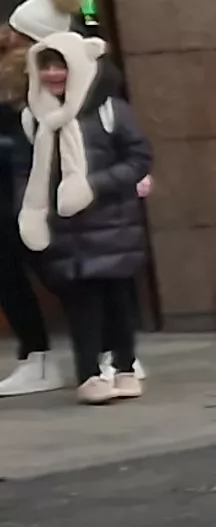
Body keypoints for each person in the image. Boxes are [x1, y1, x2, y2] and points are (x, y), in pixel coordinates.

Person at [19, 28, 148, 404]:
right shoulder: (35, 118)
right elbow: (25, 172)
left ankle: (125, 368)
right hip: (65, 230)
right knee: (81, 306)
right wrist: (29, 211)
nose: (53, 75)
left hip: (112, 225)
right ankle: (89, 375)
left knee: (119, 302)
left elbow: (139, 159)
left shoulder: (111, 111)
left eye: (60, 66)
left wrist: (93, 187)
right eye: (44, 67)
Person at [0, 0, 83, 397]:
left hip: (38, 189)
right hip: (14, 188)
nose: (9, 35)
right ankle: (37, 357)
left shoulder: (53, 75)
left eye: (17, 30)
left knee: (61, 273)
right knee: (12, 273)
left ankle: (107, 351)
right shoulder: (11, 72)